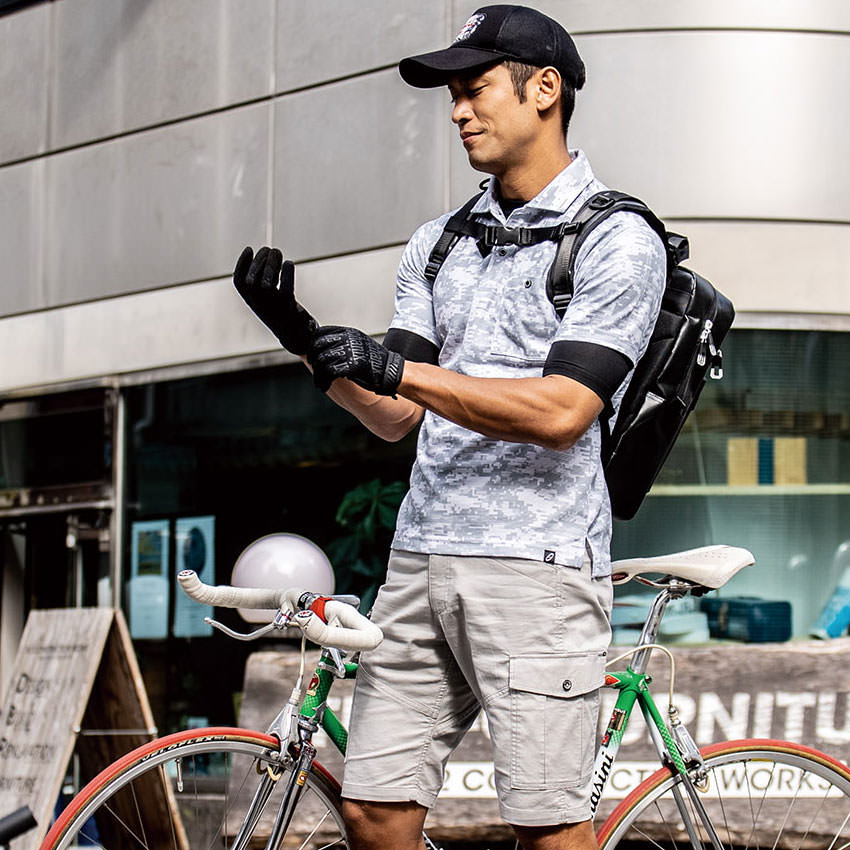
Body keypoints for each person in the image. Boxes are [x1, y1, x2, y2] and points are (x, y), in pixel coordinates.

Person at [233, 6, 666, 848]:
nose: (459, 111)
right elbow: (395, 416)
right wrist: (309, 345)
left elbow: (562, 412)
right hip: (422, 557)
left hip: (537, 568)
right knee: (374, 811)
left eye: (474, 89)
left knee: (546, 826)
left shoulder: (617, 238)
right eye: (452, 97)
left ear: (545, 89)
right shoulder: (440, 243)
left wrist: (402, 369)